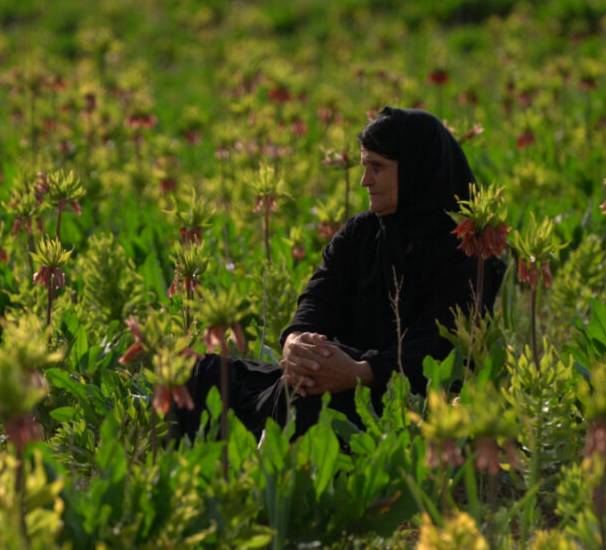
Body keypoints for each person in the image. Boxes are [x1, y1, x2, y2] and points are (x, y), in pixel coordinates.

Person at [177, 107, 505, 439]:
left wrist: (362, 372)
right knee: (195, 373)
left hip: (403, 401)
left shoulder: (464, 251)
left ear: (417, 169)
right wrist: (295, 342)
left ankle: (262, 471)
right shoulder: (360, 232)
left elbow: (438, 352)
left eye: (378, 167)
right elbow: (318, 298)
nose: (365, 181)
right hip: (328, 374)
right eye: (364, 166)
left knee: (308, 395)